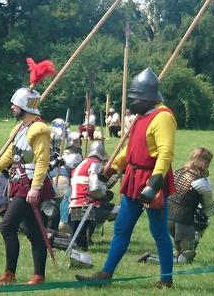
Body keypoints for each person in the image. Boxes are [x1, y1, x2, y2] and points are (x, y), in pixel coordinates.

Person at [77, 68, 176, 289]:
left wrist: (154, 184)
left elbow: (165, 153)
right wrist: (109, 170)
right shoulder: (142, 117)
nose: (132, 102)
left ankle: (167, 278)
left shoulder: (163, 117)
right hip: (134, 177)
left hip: (152, 179)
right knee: (122, 228)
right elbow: (130, 152)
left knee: (158, 232)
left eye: (136, 98)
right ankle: (106, 274)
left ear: (148, 97)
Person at [0, 86, 55, 286]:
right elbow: (10, 156)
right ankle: (38, 276)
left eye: (15, 104)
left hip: (31, 184)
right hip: (20, 183)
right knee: (34, 231)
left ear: (23, 106)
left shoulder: (39, 130)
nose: (12, 107)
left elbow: (42, 162)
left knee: (7, 225)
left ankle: (10, 274)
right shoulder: (20, 128)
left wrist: (36, 188)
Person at [139, 147, 214, 265]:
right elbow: (209, 208)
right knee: (185, 259)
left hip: (167, 217)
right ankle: (150, 259)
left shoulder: (178, 172)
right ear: (205, 162)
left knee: (179, 252)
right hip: (184, 222)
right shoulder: (201, 181)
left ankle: (175, 252)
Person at [68, 141, 112, 252]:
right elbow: (94, 186)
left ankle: (79, 248)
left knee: (78, 227)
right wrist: (103, 192)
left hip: (74, 198)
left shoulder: (83, 162)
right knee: (82, 229)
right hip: (83, 199)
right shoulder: (95, 163)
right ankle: (79, 249)